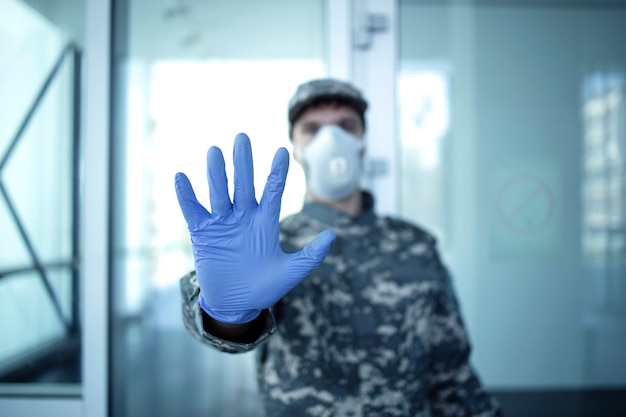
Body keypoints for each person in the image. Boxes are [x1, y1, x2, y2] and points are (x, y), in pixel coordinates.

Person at [175, 78, 502, 416]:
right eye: (312, 129)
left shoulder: (416, 245)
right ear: (296, 147)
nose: (331, 140)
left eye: (346, 126)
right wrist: (228, 314)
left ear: (362, 141)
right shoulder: (271, 246)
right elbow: (229, 337)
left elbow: (451, 372)